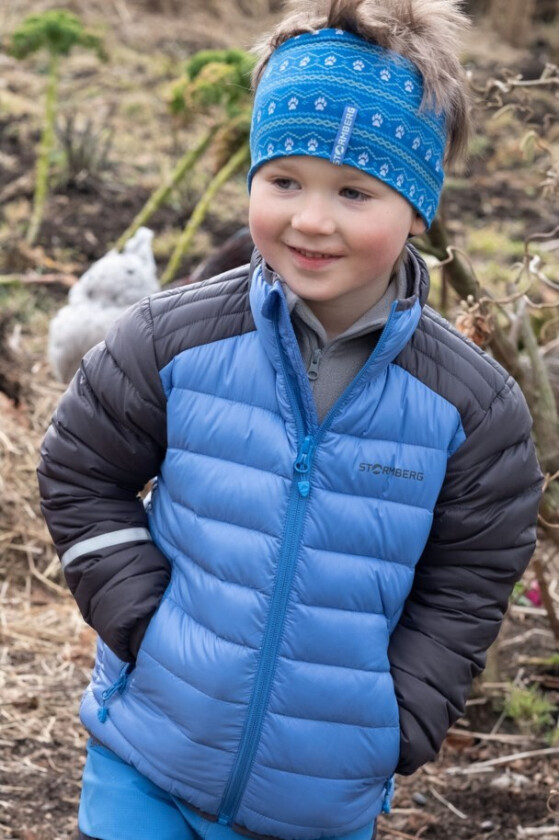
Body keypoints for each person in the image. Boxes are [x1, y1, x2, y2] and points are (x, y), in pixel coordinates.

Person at [38, 1, 543, 839]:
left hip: (317, 796)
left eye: (354, 190)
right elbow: (80, 470)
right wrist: (144, 624)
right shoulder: (171, 339)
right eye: (284, 180)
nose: (311, 220)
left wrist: (400, 717)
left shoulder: (471, 406)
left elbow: (473, 574)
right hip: (146, 758)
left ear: (415, 208)